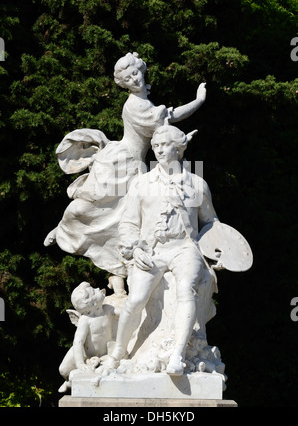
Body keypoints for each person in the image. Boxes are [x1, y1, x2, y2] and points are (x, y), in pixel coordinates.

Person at [44, 52, 207, 278]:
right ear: (123, 84)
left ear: (141, 71)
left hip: (134, 166)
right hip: (120, 161)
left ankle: (119, 261)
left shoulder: (144, 102)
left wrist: (178, 142)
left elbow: (166, 124)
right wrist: (198, 101)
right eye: (128, 79)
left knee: (121, 217)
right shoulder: (136, 105)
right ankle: (65, 228)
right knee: (87, 204)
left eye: (135, 73)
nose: (134, 80)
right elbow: (171, 116)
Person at [106, 124, 219, 376]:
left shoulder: (197, 185)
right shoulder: (141, 183)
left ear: (178, 148)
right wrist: (134, 250)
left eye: (164, 145)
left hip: (185, 248)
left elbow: (211, 222)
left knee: (186, 291)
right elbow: (128, 223)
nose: (158, 150)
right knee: (135, 299)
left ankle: (177, 355)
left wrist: (218, 249)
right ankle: (118, 352)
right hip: (151, 251)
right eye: (155, 146)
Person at [58, 282, 117, 392]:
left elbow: (125, 315)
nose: (98, 288)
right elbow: (78, 342)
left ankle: (73, 379)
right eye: (94, 291)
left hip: (104, 353)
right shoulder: (85, 320)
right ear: (93, 303)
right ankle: (69, 381)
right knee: (63, 370)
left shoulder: (108, 309)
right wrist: (80, 363)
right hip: (84, 352)